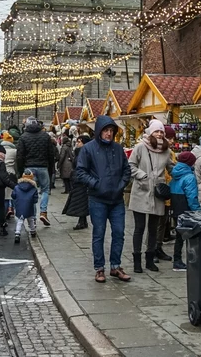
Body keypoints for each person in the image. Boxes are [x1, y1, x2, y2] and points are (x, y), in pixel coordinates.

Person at [75, 115, 132, 284]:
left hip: (116, 199)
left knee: (119, 233)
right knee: (99, 234)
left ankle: (115, 266)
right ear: (99, 131)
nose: (108, 134)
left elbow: (126, 170)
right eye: (106, 130)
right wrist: (96, 184)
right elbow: (81, 171)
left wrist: (121, 185)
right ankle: (99, 268)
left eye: (111, 131)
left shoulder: (117, 148)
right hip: (97, 198)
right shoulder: (89, 149)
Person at [128, 119, 174, 273]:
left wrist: (186, 171)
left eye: (161, 131)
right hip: (141, 190)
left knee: (153, 228)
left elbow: (171, 167)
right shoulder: (140, 147)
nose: (160, 134)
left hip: (157, 193)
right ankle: (136, 261)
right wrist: (142, 175)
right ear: (150, 132)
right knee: (139, 227)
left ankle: (150, 259)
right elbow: (130, 165)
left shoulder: (166, 150)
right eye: (157, 131)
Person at [14, 117, 58, 226]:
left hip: (28, 168)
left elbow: (20, 156)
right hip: (43, 166)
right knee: (45, 190)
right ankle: (43, 212)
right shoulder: (45, 136)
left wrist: (20, 171)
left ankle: (32, 217)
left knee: (30, 192)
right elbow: (50, 154)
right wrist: (51, 168)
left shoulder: (23, 137)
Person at [168, 152, 200, 271]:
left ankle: (177, 259)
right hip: (186, 210)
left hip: (176, 208)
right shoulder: (189, 177)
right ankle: (183, 260)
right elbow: (192, 197)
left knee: (179, 236)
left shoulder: (175, 174)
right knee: (189, 237)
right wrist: (197, 211)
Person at [61, 134, 91, 230]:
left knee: (80, 200)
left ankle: (81, 221)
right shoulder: (79, 152)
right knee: (81, 200)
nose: (77, 143)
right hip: (78, 179)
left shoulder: (84, 152)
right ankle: (83, 221)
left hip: (81, 179)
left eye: (79, 142)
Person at [12, 169, 40, 244]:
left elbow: (13, 196)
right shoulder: (33, 188)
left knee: (20, 221)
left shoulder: (17, 187)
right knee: (31, 219)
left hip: (19, 206)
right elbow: (35, 200)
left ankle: (17, 233)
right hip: (29, 207)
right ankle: (33, 231)